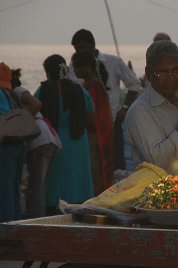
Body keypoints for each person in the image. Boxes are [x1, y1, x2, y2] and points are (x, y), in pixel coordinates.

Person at [125, 40, 178, 181]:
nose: (171, 78)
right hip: (166, 201)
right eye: (163, 72)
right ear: (148, 73)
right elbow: (158, 161)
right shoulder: (140, 111)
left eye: (176, 70)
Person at [70, 29, 142, 171]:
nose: (79, 52)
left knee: (115, 164)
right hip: (86, 127)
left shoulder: (113, 62)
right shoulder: (73, 67)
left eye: (82, 48)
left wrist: (125, 108)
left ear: (92, 45)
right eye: (76, 49)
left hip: (111, 122)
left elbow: (134, 84)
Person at [35, 54, 94, 215]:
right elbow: (90, 118)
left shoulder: (43, 90)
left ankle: (54, 211)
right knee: (78, 182)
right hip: (78, 141)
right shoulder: (79, 90)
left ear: (47, 72)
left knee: (55, 183)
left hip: (55, 142)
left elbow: (34, 114)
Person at [11, 68, 61, 218]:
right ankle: (36, 217)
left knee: (36, 186)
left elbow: (37, 104)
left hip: (41, 141)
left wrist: (22, 125)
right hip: (47, 140)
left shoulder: (18, 91)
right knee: (37, 184)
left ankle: (36, 220)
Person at [0, 62, 26, 222]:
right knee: (14, 187)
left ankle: (5, 229)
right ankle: (16, 224)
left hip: (8, 145)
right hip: (21, 142)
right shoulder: (12, 94)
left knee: (5, 188)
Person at [71, 50, 115, 195]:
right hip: (101, 134)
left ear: (88, 67)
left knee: (96, 173)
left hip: (96, 136)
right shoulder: (95, 84)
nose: (75, 71)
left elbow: (92, 116)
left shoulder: (92, 86)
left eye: (77, 67)